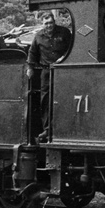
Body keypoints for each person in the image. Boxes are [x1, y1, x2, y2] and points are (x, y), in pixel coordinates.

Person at [26, 11, 72, 141]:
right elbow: (32, 52)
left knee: (65, 98)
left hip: (63, 70)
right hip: (46, 71)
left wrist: (63, 58)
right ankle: (47, 129)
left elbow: (72, 48)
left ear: (54, 22)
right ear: (43, 24)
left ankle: (65, 128)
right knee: (45, 100)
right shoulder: (38, 36)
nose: (49, 25)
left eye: (51, 23)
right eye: (46, 23)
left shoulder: (64, 32)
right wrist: (30, 68)